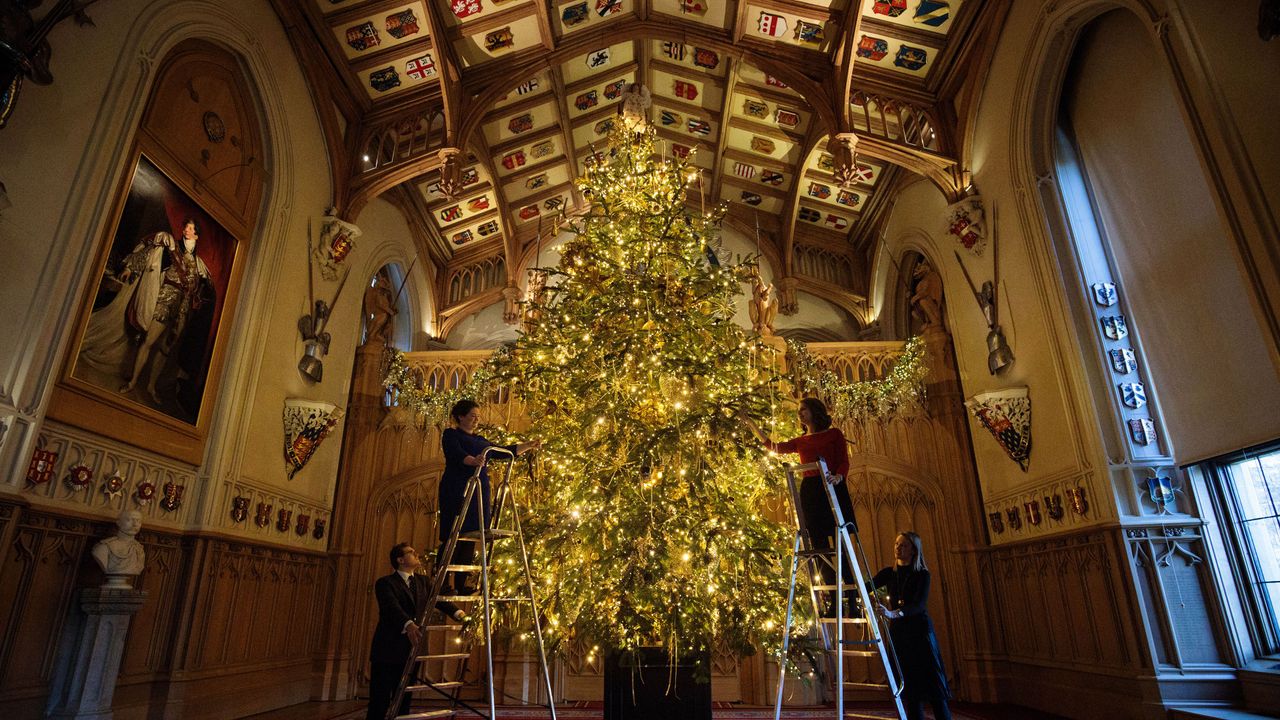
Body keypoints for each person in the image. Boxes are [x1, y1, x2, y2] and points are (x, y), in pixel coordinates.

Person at [743, 397, 856, 615]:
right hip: (811, 491)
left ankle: (852, 600)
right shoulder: (801, 441)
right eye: (799, 410)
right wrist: (751, 424)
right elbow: (775, 447)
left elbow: (844, 460)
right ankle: (834, 602)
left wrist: (839, 477)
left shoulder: (834, 434)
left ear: (815, 411)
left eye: (803, 409)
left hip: (832, 487)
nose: (800, 413)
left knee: (841, 546)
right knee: (820, 548)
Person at [436, 399, 540, 621]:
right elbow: (455, 454)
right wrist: (473, 460)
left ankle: (463, 584)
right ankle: (443, 583)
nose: (476, 419)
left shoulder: (482, 441)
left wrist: (528, 445)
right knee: (453, 534)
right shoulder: (451, 435)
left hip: (478, 492)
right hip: (458, 488)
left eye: (478, 416)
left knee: (472, 535)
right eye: (472, 415)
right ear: (461, 416)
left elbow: (505, 452)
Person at [121, 218, 213, 402]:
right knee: (149, 341)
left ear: (197, 234)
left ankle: (151, 386)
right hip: (165, 301)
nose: (186, 230)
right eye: (186, 226)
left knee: (166, 349)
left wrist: (198, 298)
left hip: (182, 309)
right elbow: (149, 251)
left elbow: (203, 290)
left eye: (191, 228)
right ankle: (132, 382)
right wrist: (131, 268)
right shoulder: (172, 248)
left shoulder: (200, 264)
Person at [870, 531, 951, 720]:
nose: (898, 548)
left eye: (904, 545)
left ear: (914, 550)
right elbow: (867, 585)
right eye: (897, 544)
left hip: (920, 634)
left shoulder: (922, 575)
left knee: (934, 689)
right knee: (909, 690)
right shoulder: (889, 574)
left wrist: (892, 613)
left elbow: (918, 605)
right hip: (899, 635)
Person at [367, 542, 429, 720]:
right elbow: (391, 607)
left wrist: (460, 614)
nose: (416, 553)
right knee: (380, 699)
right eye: (410, 552)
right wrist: (408, 624)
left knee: (404, 699)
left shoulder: (423, 582)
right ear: (400, 560)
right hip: (388, 649)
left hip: (412, 648)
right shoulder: (385, 583)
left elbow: (437, 600)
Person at [91, 508, 145, 587]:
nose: (135, 524)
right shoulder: (104, 547)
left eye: (138, 521)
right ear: (118, 523)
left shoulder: (139, 550)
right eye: (129, 520)